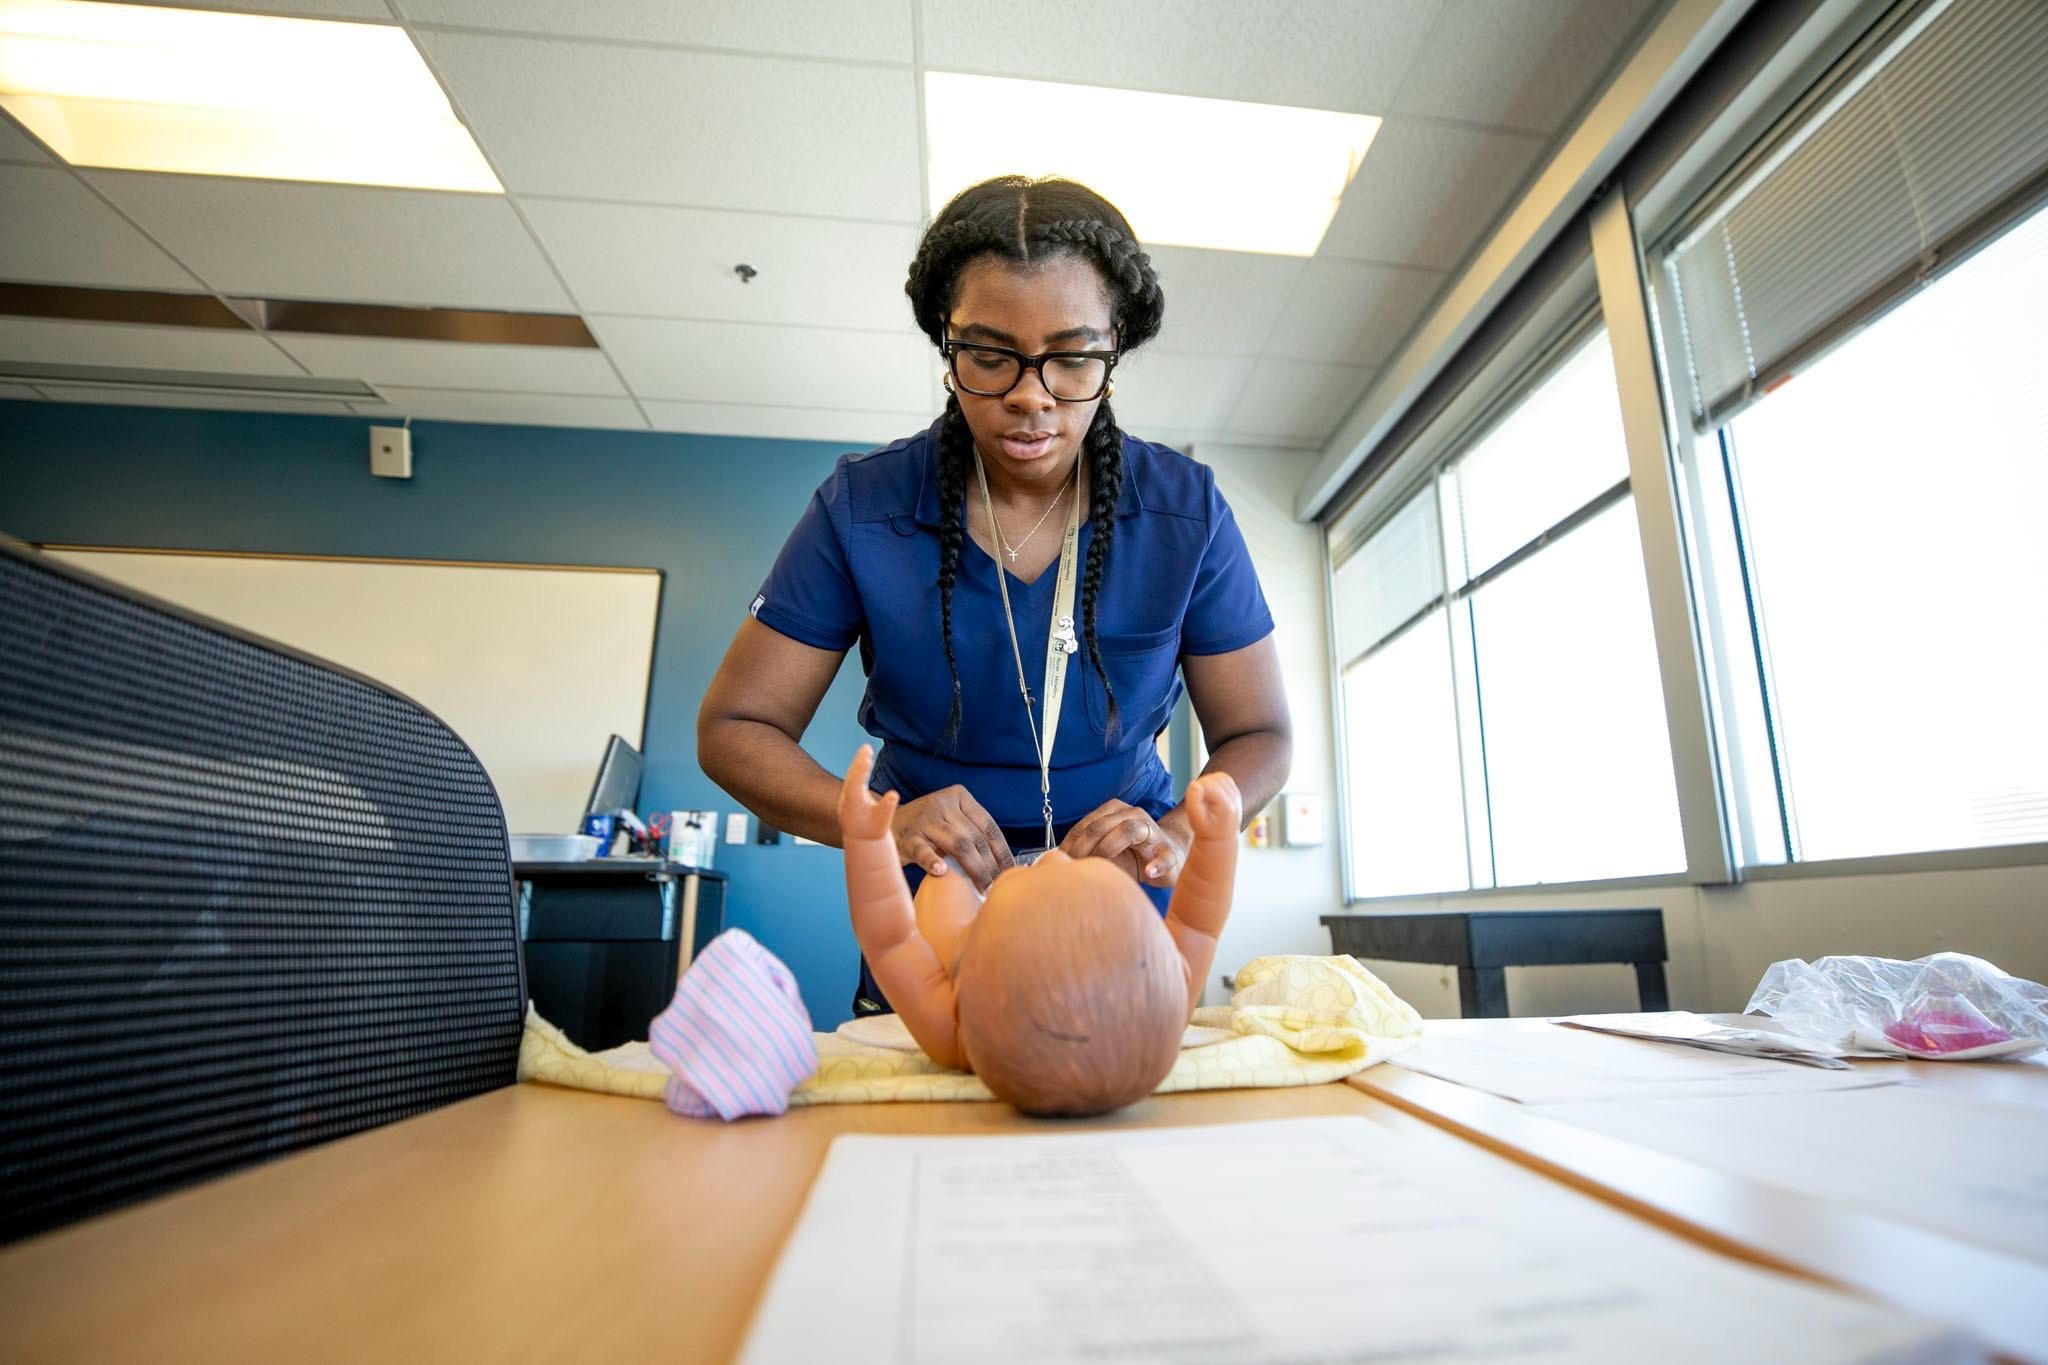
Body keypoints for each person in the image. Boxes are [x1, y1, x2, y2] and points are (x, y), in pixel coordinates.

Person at [697, 174, 1291, 1016]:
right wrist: (880, 820)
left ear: (1112, 352)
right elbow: (734, 728)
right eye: (989, 354)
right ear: (948, 347)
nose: (1030, 392)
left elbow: (1260, 733)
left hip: (1123, 897)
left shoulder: (1184, 511)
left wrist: (1180, 833)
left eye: (1072, 356)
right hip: (933, 896)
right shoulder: (863, 509)